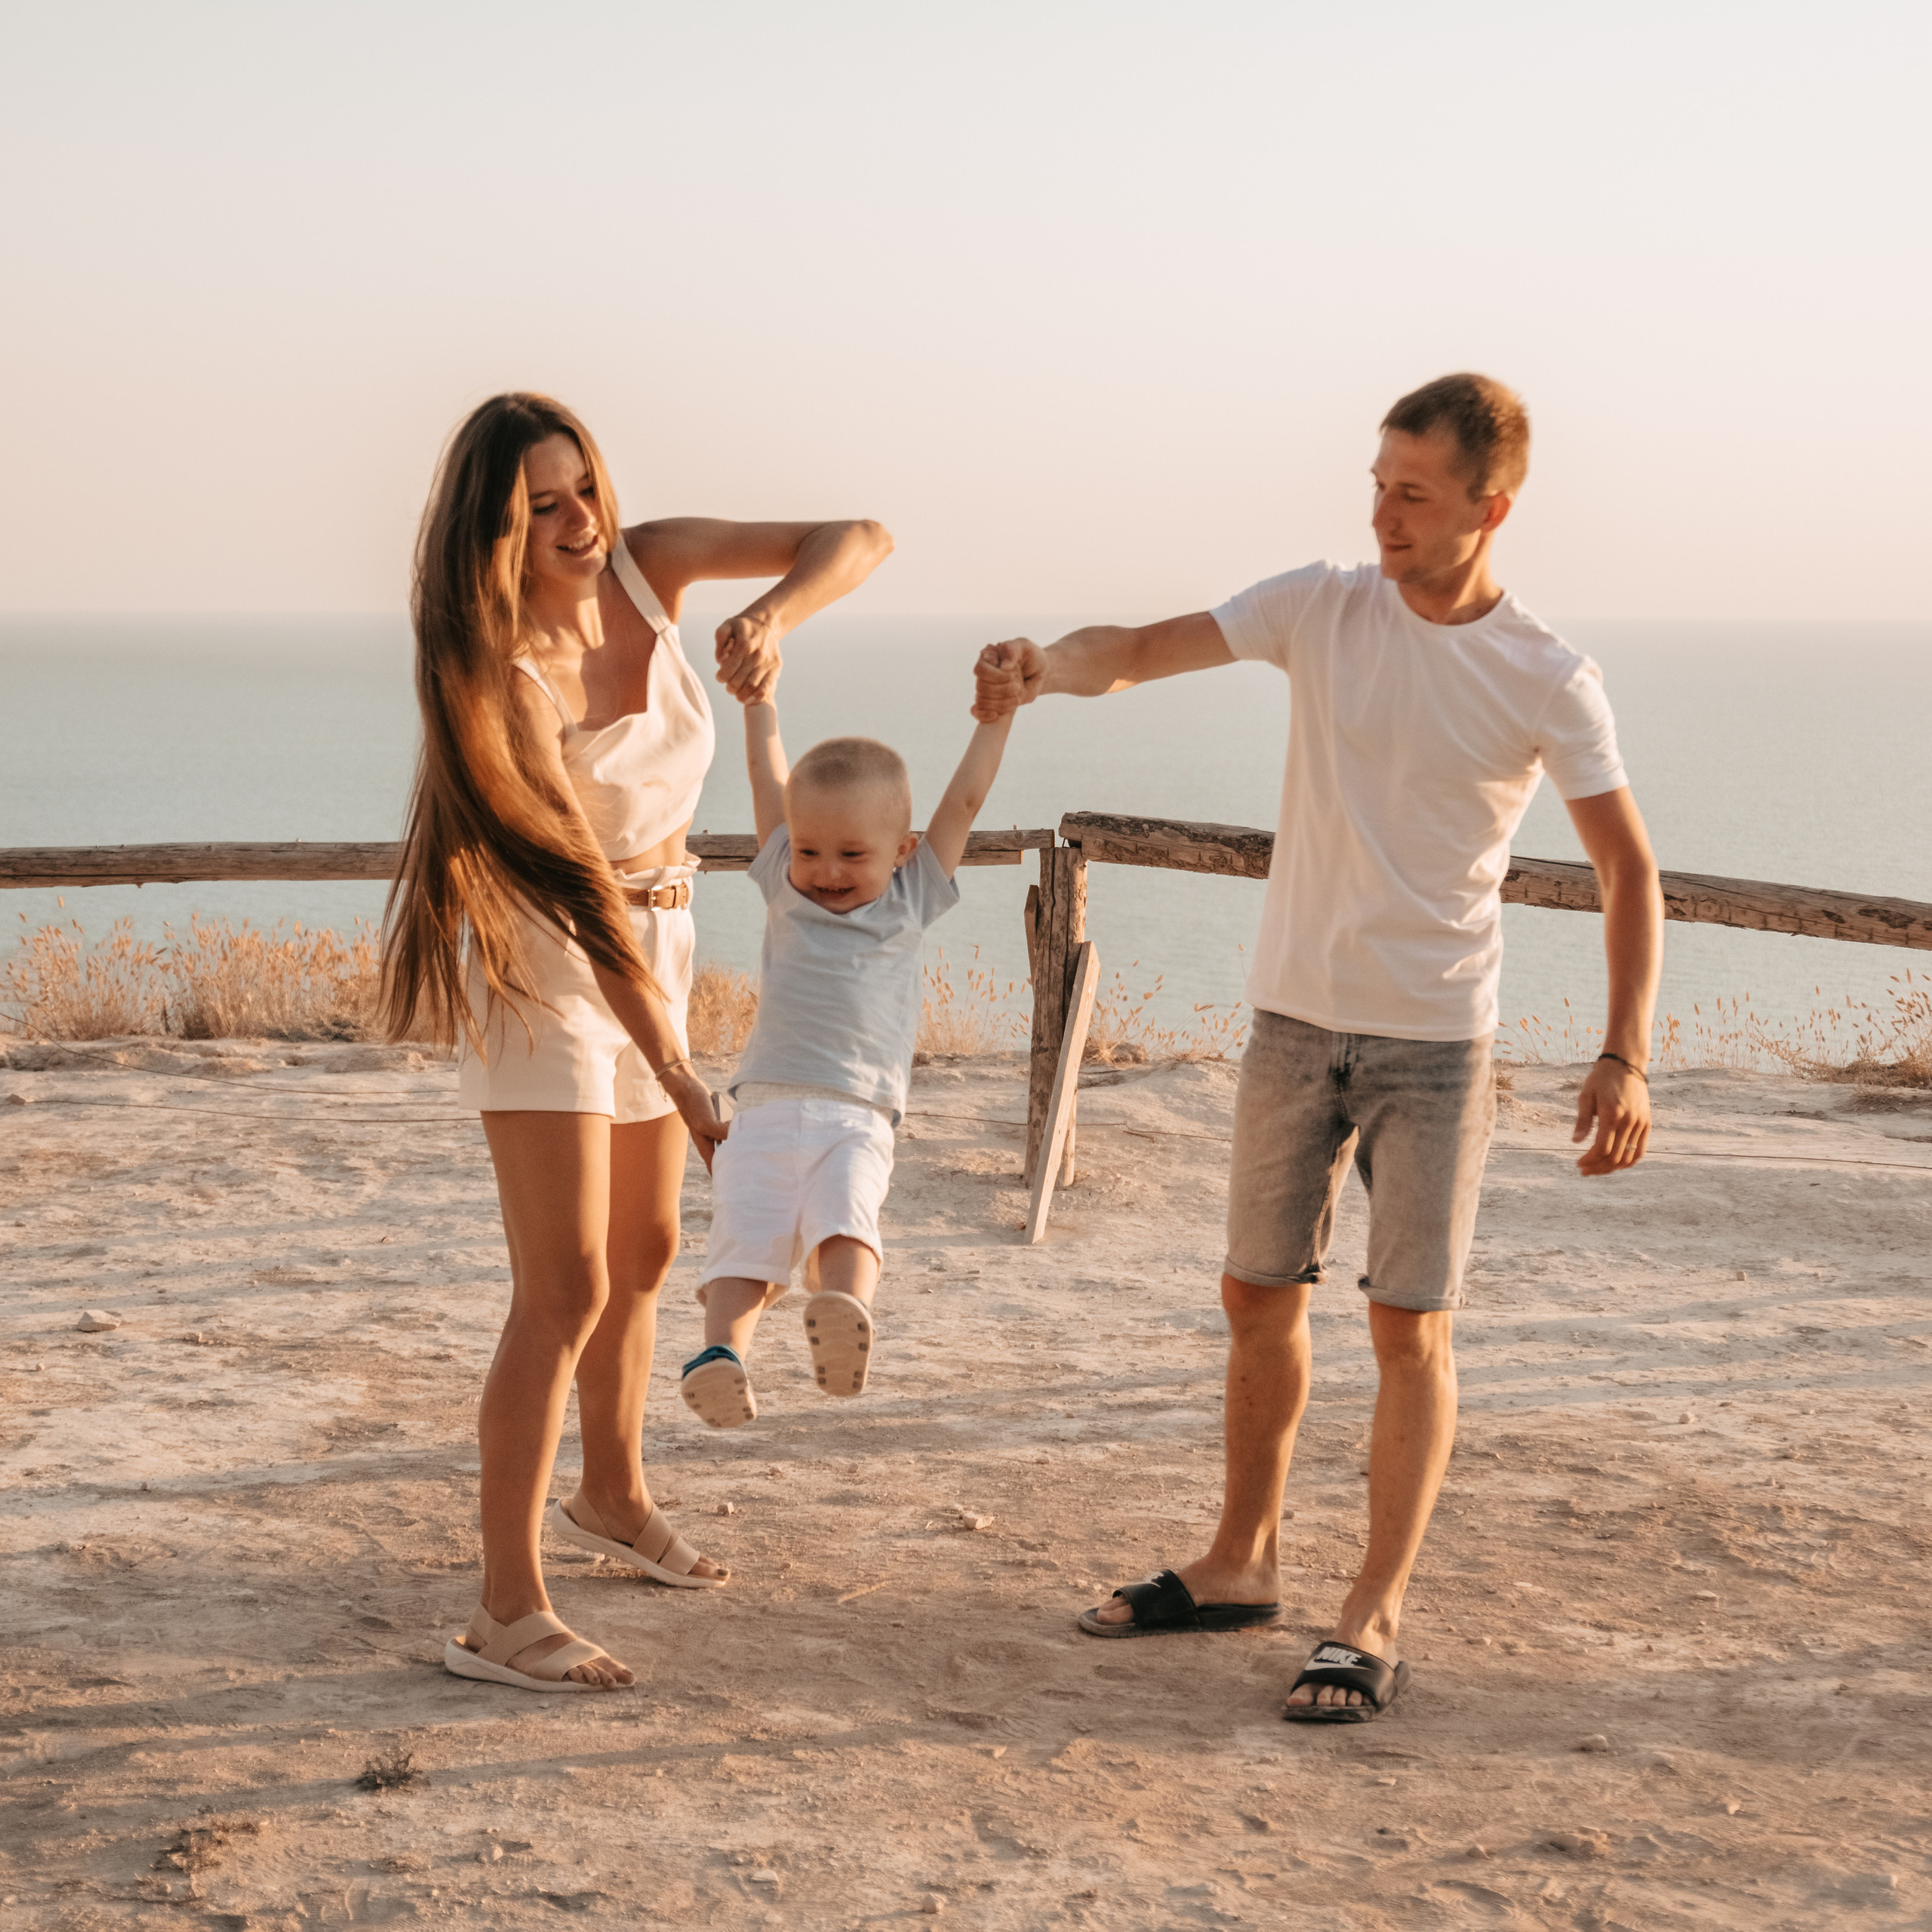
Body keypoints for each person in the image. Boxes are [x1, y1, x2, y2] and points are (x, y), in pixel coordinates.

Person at [973, 374, 1662, 1723]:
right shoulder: (1322, 605)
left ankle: (1373, 1615)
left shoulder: (1546, 674)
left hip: (1436, 1039)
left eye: (1413, 491)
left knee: (1408, 1326)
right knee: (1256, 1297)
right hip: (1293, 1016)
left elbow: (1628, 869)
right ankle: (1242, 1563)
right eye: (1377, 481)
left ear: (1490, 507)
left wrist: (1625, 1052)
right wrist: (1045, 665)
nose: (1382, 510)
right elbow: (1142, 647)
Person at [382, 392, 891, 1692]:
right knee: (560, 1290)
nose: (577, 521)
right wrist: (673, 1062)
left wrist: (774, 614)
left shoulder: (651, 568)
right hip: (548, 960)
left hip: (662, 933)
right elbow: (572, 887)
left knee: (649, 1251)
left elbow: (860, 533)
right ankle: (504, 1611)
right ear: (489, 531)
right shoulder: (493, 669)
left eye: (583, 489)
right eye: (538, 506)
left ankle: (610, 1493)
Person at [678, 667, 1017, 1427]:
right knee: (743, 1239)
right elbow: (770, 780)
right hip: (761, 1108)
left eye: (852, 855)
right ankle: (721, 1355)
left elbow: (962, 800)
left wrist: (997, 718)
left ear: (903, 850)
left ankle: (841, 1311)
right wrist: (759, 701)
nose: (826, 872)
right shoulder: (782, 884)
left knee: (843, 1222)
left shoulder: (914, 892)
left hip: (855, 1111)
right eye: (810, 850)